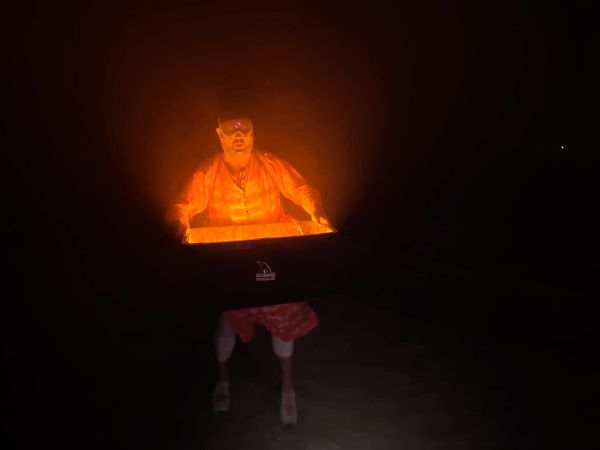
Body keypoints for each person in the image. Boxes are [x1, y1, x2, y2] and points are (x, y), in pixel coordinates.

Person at [165, 111, 332, 426]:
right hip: (232, 263)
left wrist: (316, 210)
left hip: (273, 255)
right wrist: (177, 225)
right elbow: (182, 206)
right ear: (220, 136)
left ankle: (287, 390)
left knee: (284, 322)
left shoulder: (270, 163)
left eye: (245, 131)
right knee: (226, 324)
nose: (239, 137)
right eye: (232, 132)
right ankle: (223, 382)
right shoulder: (207, 171)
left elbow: (302, 190)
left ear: (253, 135)